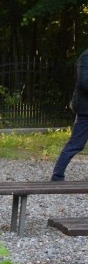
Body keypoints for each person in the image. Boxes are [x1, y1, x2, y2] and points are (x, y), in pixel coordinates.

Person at [51, 48, 88, 181]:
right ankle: (57, 176)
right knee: (75, 145)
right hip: (85, 110)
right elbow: (84, 82)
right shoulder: (85, 57)